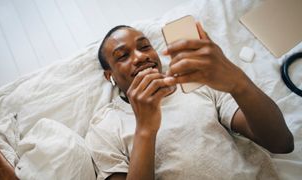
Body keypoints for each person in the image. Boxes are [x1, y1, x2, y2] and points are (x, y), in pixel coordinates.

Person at [86, 22, 294, 180]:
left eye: (145, 46)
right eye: (122, 56)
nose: (140, 56)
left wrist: (238, 82)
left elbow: (281, 143)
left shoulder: (198, 84)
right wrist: (145, 130)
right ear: (109, 75)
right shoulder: (104, 126)